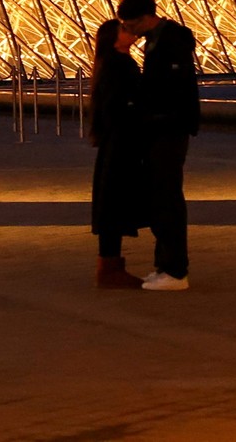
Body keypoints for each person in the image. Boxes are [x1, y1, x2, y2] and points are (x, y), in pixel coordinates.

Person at [116, 0, 198, 291]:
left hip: (169, 128)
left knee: (167, 197)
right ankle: (165, 265)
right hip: (163, 126)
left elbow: (170, 90)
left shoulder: (171, 41)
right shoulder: (159, 39)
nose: (129, 31)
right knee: (160, 196)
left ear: (146, 18)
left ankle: (175, 271)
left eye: (131, 25)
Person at [87, 18, 146, 288]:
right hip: (121, 143)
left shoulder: (110, 64)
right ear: (113, 39)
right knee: (114, 204)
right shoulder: (117, 65)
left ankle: (109, 266)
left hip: (115, 142)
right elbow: (119, 105)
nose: (129, 30)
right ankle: (110, 269)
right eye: (123, 29)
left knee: (113, 204)